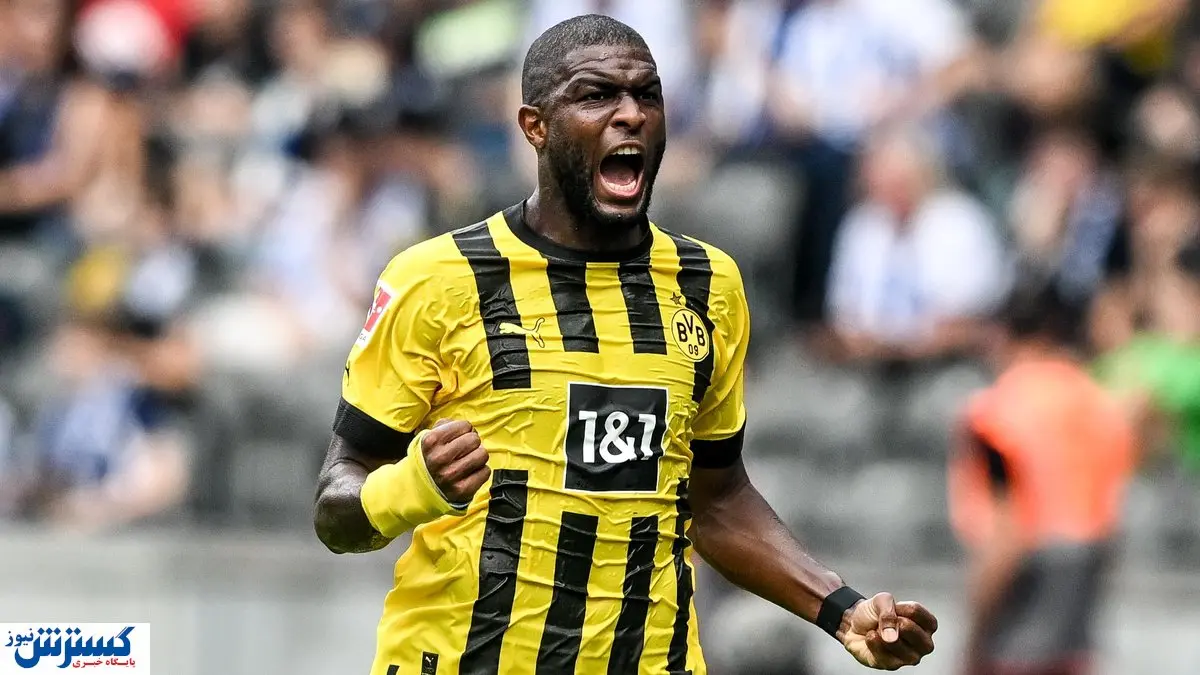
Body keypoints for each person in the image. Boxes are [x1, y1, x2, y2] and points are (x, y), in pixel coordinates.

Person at [313, 15, 937, 675]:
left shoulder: (708, 285)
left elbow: (716, 498)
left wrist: (840, 608)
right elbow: (335, 507)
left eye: (648, 95)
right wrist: (413, 487)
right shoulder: (437, 279)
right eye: (596, 96)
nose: (631, 115)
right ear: (535, 126)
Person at [949, 277, 1138, 675]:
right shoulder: (1101, 402)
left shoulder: (995, 411)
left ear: (1003, 333)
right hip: (1080, 595)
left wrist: (972, 640)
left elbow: (1006, 536)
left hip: (1022, 595)